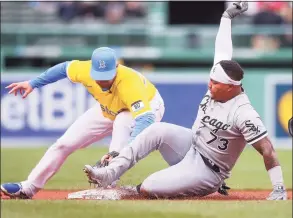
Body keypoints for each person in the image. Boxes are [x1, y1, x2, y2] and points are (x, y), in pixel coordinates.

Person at [84, 1, 287, 200]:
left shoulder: (244, 112)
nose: (209, 85)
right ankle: (110, 172)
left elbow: (267, 149)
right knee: (157, 129)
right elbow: (223, 51)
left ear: (230, 87)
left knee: (149, 187)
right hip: (191, 146)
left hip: (209, 170)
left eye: (215, 83)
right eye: (210, 80)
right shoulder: (220, 80)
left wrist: (278, 187)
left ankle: (137, 190)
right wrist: (226, 18)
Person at [1, 47, 165, 199]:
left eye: (106, 76)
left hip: (149, 107)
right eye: (98, 76)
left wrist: (122, 152)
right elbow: (63, 69)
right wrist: (32, 83)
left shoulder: (129, 82)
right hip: (108, 108)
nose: (102, 81)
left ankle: (109, 183)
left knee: (122, 123)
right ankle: (28, 188)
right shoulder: (84, 70)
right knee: (63, 144)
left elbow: (145, 118)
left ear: (116, 67)